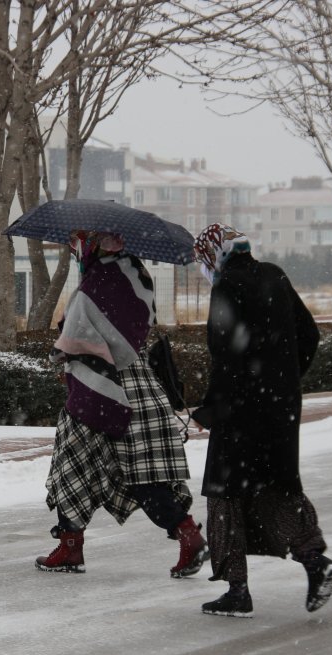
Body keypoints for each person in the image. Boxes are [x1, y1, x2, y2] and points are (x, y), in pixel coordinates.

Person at [35, 230, 208, 579]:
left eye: (78, 242)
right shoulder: (135, 274)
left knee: (74, 466)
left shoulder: (99, 281)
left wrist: (63, 342)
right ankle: (188, 535)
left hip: (102, 387)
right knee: (144, 473)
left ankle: (72, 547)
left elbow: (77, 335)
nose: (75, 248)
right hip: (141, 388)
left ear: (95, 243)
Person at [190, 223, 332, 618]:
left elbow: (226, 356)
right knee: (274, 486)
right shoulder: (275, 274)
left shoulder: (227, 287)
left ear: (215, 254)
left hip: (240, 410)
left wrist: (211, 409)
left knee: (226, 496)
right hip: (280, 406)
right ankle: (315, 561)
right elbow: (309, 334)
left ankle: (237, 590)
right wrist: (284, 376)